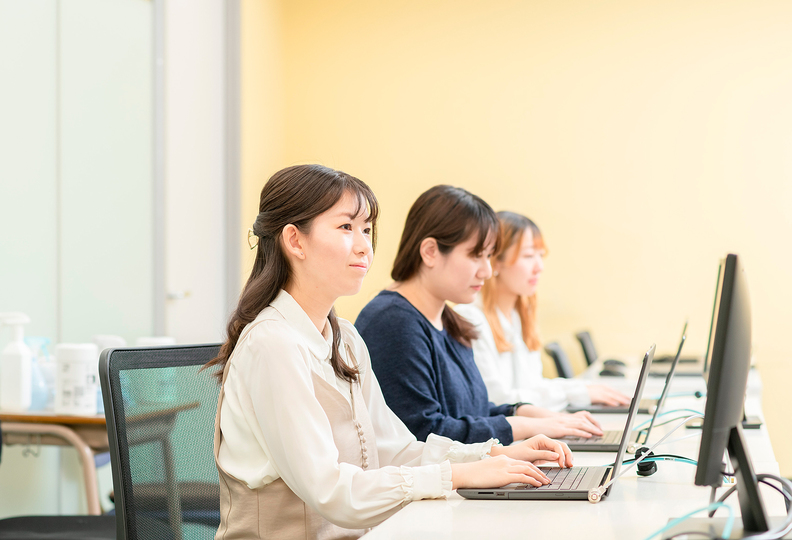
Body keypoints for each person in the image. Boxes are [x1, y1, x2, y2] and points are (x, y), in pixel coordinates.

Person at [205, 166, 574, 540]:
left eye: (366, 230)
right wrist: (457, 475)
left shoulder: (344, 338)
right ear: (295, 241)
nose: (364, 246)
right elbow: (331, 491)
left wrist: (491, 455)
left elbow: (394, 450)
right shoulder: (272, 344)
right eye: (346, 227)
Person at [356, 185, 603, 448]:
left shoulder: (451, 321)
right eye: (476, 256)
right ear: (430, 252)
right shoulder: (393, 322)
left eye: (489, 256)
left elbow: (475, 410)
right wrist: (525, 426)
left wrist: (532, 414)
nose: (486, 271)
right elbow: (424, 434)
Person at [454, 211, 631, 411]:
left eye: (541, 256)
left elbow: (532, 387)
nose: (539, 267)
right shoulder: (470, 318)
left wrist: (583, 389)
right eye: (529, 256)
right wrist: (575, 393)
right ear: (495, 261)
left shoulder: (517, 316)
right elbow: (497, 400)